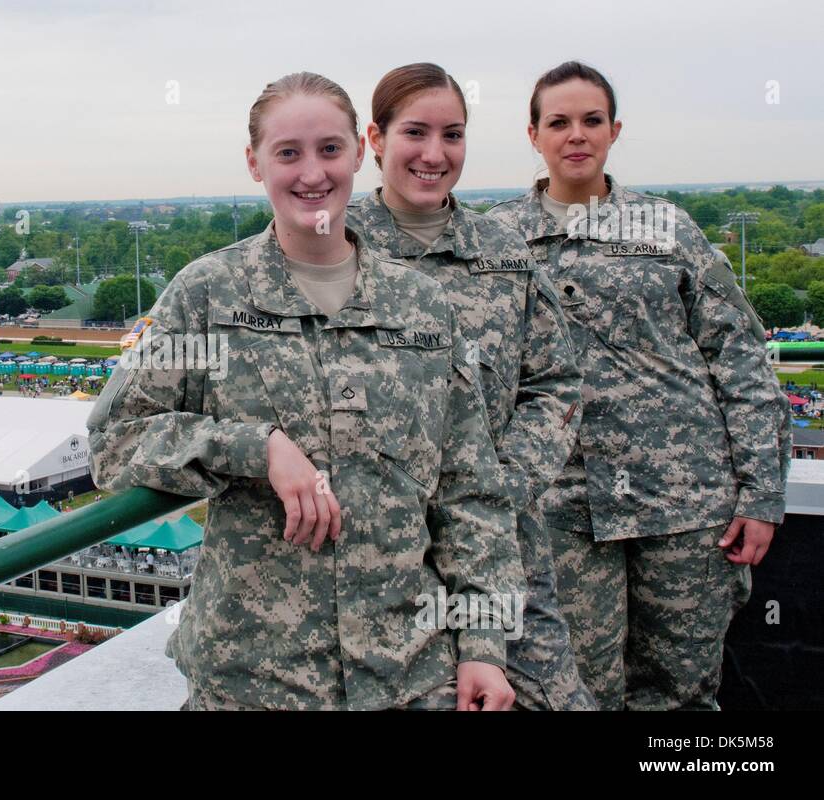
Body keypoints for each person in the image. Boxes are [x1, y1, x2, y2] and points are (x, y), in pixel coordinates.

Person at [88, 72, 522, 711]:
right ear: (254, 163)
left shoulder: (423, 307)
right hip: (253, 680)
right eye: (287, 152)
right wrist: (254, 447)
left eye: (329, 149)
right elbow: (113, 444)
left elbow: (470, 491)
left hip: (408, 675)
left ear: (358, 152)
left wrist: (484, 647)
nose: (312, 172)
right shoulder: (209, 295)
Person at [486, 61, 792, 710]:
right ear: (533, 134)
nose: (576, 135)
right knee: (572, 694)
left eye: (591, 120)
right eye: (559, 122)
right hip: (560, 512)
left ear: (615, 130)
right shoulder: (496, 241)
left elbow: (740, 357)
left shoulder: (668, 230)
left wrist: (761, 494)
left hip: (683, 506)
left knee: (679, 696)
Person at [345, 63, 593, 710]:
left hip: (503, 551)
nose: (435, 154)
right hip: (378, 567)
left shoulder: (504, 254)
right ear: (375, 138)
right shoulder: (331, 250)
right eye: (415, 133)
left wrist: (498, 487)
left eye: (452, 135)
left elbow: (556, 384)